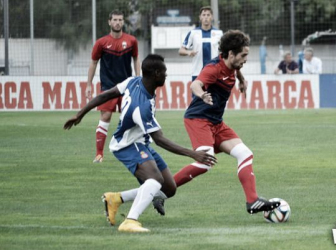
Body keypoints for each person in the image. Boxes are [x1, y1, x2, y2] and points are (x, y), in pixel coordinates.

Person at [64, 54, 216, 233]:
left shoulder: (133, 81)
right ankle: (130, 221)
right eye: (164, 72)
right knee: (155, 180)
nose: (166, 76)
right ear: (156, 74)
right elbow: (160, 139)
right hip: (127, 145)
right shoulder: (141, 106)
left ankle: (115, 199)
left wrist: (80, 114)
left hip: (140, 143)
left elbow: (107, 94)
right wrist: (193, 154)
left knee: (169, 187)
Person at [154, 30, 280, 216]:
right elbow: (195, 84)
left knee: (245, 154)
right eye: (243, 55)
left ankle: (252, 201)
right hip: (198, 119)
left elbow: (236, 69)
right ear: (230, 54)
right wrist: (201, 94)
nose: (245, 59)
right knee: (205, 163)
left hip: (216, 123)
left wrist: (242, 80)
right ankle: (160, 192)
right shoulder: (213, 68)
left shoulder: (232, 64)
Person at [86, 9, 140, 163]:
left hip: (127, 87)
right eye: (114, 20)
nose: (117, 22)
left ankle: (129, 150)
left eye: (120, 20)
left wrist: (138, 79)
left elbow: (136, 59)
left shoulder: (131, 41)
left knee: (130, 118)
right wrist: (88, 85)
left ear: (123, 22)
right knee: (105, 116)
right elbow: (93, 63)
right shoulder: (101, 43)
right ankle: (99, 154)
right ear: (109, 22)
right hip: (108, 87)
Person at [179, 6, 246, 83]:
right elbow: (181, 50)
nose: (206, 17)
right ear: (200, 17)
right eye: (204, 15)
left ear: (212, 17)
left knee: (214, 95)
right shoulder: (193, 33)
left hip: (215, 72)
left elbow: (226, 52)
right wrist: (188, 52)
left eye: (208, 15)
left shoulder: (219, 33)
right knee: (198, 94)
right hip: (197, 73)